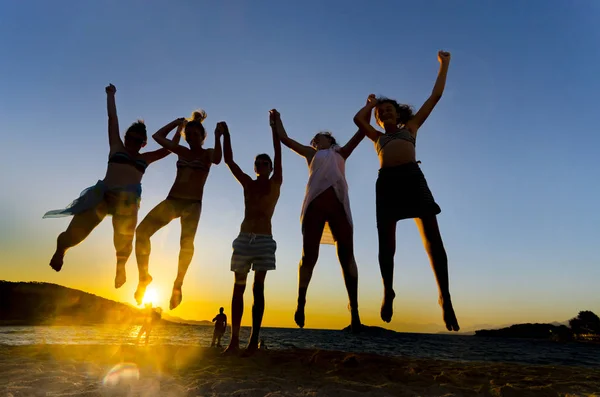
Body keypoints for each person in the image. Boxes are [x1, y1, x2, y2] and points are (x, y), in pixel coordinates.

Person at [352, 50, 460, 331]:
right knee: (386, 245)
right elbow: (357, 120)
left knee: (433, 240)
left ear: (398, 114)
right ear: (377, 120)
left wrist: (444, 65)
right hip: (387, 183)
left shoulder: (411, 127)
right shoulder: (377, 136)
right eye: (380, 112)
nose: (384, 112)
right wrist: (370, 103)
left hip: (413, 178)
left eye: (389, 108)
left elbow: (434, 97)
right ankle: (388, 290)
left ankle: (445, 297)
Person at [44, 84, 179, 288]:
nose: (132, 141)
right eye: (129, 138)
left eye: (137, 140)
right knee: (74, 235)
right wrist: (111, 95)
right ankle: (60, 250)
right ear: (125, 138)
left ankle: (120, 267)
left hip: (127, 202)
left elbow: (169, 149)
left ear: (143, 143)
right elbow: (112, 119)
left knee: (124, 237)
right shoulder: (116, 146)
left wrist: (180, 126)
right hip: (103, 196)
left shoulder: (145, 158)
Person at [275, 110, 367, 332]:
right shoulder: (311, 154)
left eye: (319, 138)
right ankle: (301, 302)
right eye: (314, 140)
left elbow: (362, 131)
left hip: (338, 206)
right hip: (315, 206)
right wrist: (277, 119)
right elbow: (285, 140)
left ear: (330, 140)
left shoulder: (341, 153)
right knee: (309, 256)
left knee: (346, 256)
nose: (315, 141)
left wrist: (370, 107)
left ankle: (354, 310)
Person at [134, 110, 222, 310]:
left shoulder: (207, 153)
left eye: (195, 135)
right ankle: (143, 277)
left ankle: (178, 283)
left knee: (186, 244)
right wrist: (177, 123)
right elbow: (157, 137)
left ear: (202, 136)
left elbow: (217, 158)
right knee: (141, 232)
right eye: (188, 135)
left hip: (192, 204)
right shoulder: (181, 151)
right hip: (173, 201)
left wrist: (218, 136)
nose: (191, 138)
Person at [221, 111, 282, 356]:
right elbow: (229, 161)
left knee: (258, 288)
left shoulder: (276, 181)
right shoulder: (248, 182)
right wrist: (226, 134)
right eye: (259, 163)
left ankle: (254, 339)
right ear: (255, 167)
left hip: (265, 239)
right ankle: (234, 340)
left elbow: (278, 152)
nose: (262, 166)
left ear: (271, 167)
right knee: (238, 288)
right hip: (244, 238)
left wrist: (273, 125)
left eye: (266, 163)